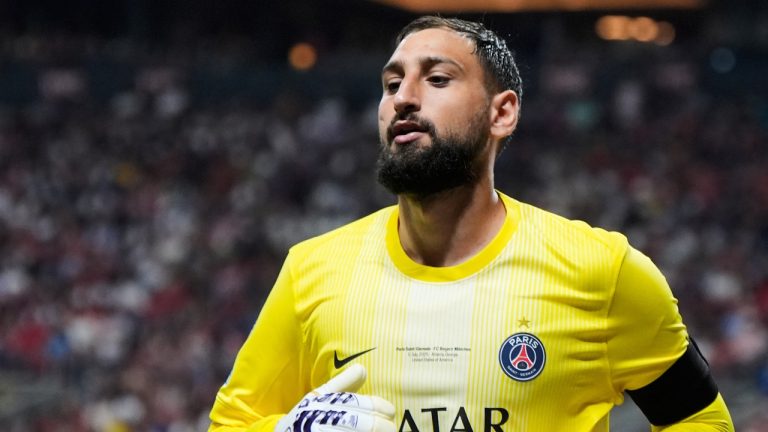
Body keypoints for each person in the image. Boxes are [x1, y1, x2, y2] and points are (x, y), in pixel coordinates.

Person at [208, 16, 734, 432]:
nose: (404, 98)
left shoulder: (602, 270)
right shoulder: (311, 271)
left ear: (501, 113)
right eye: (391, 84)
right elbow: (231, 423)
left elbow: (700, 418)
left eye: (437, 79)